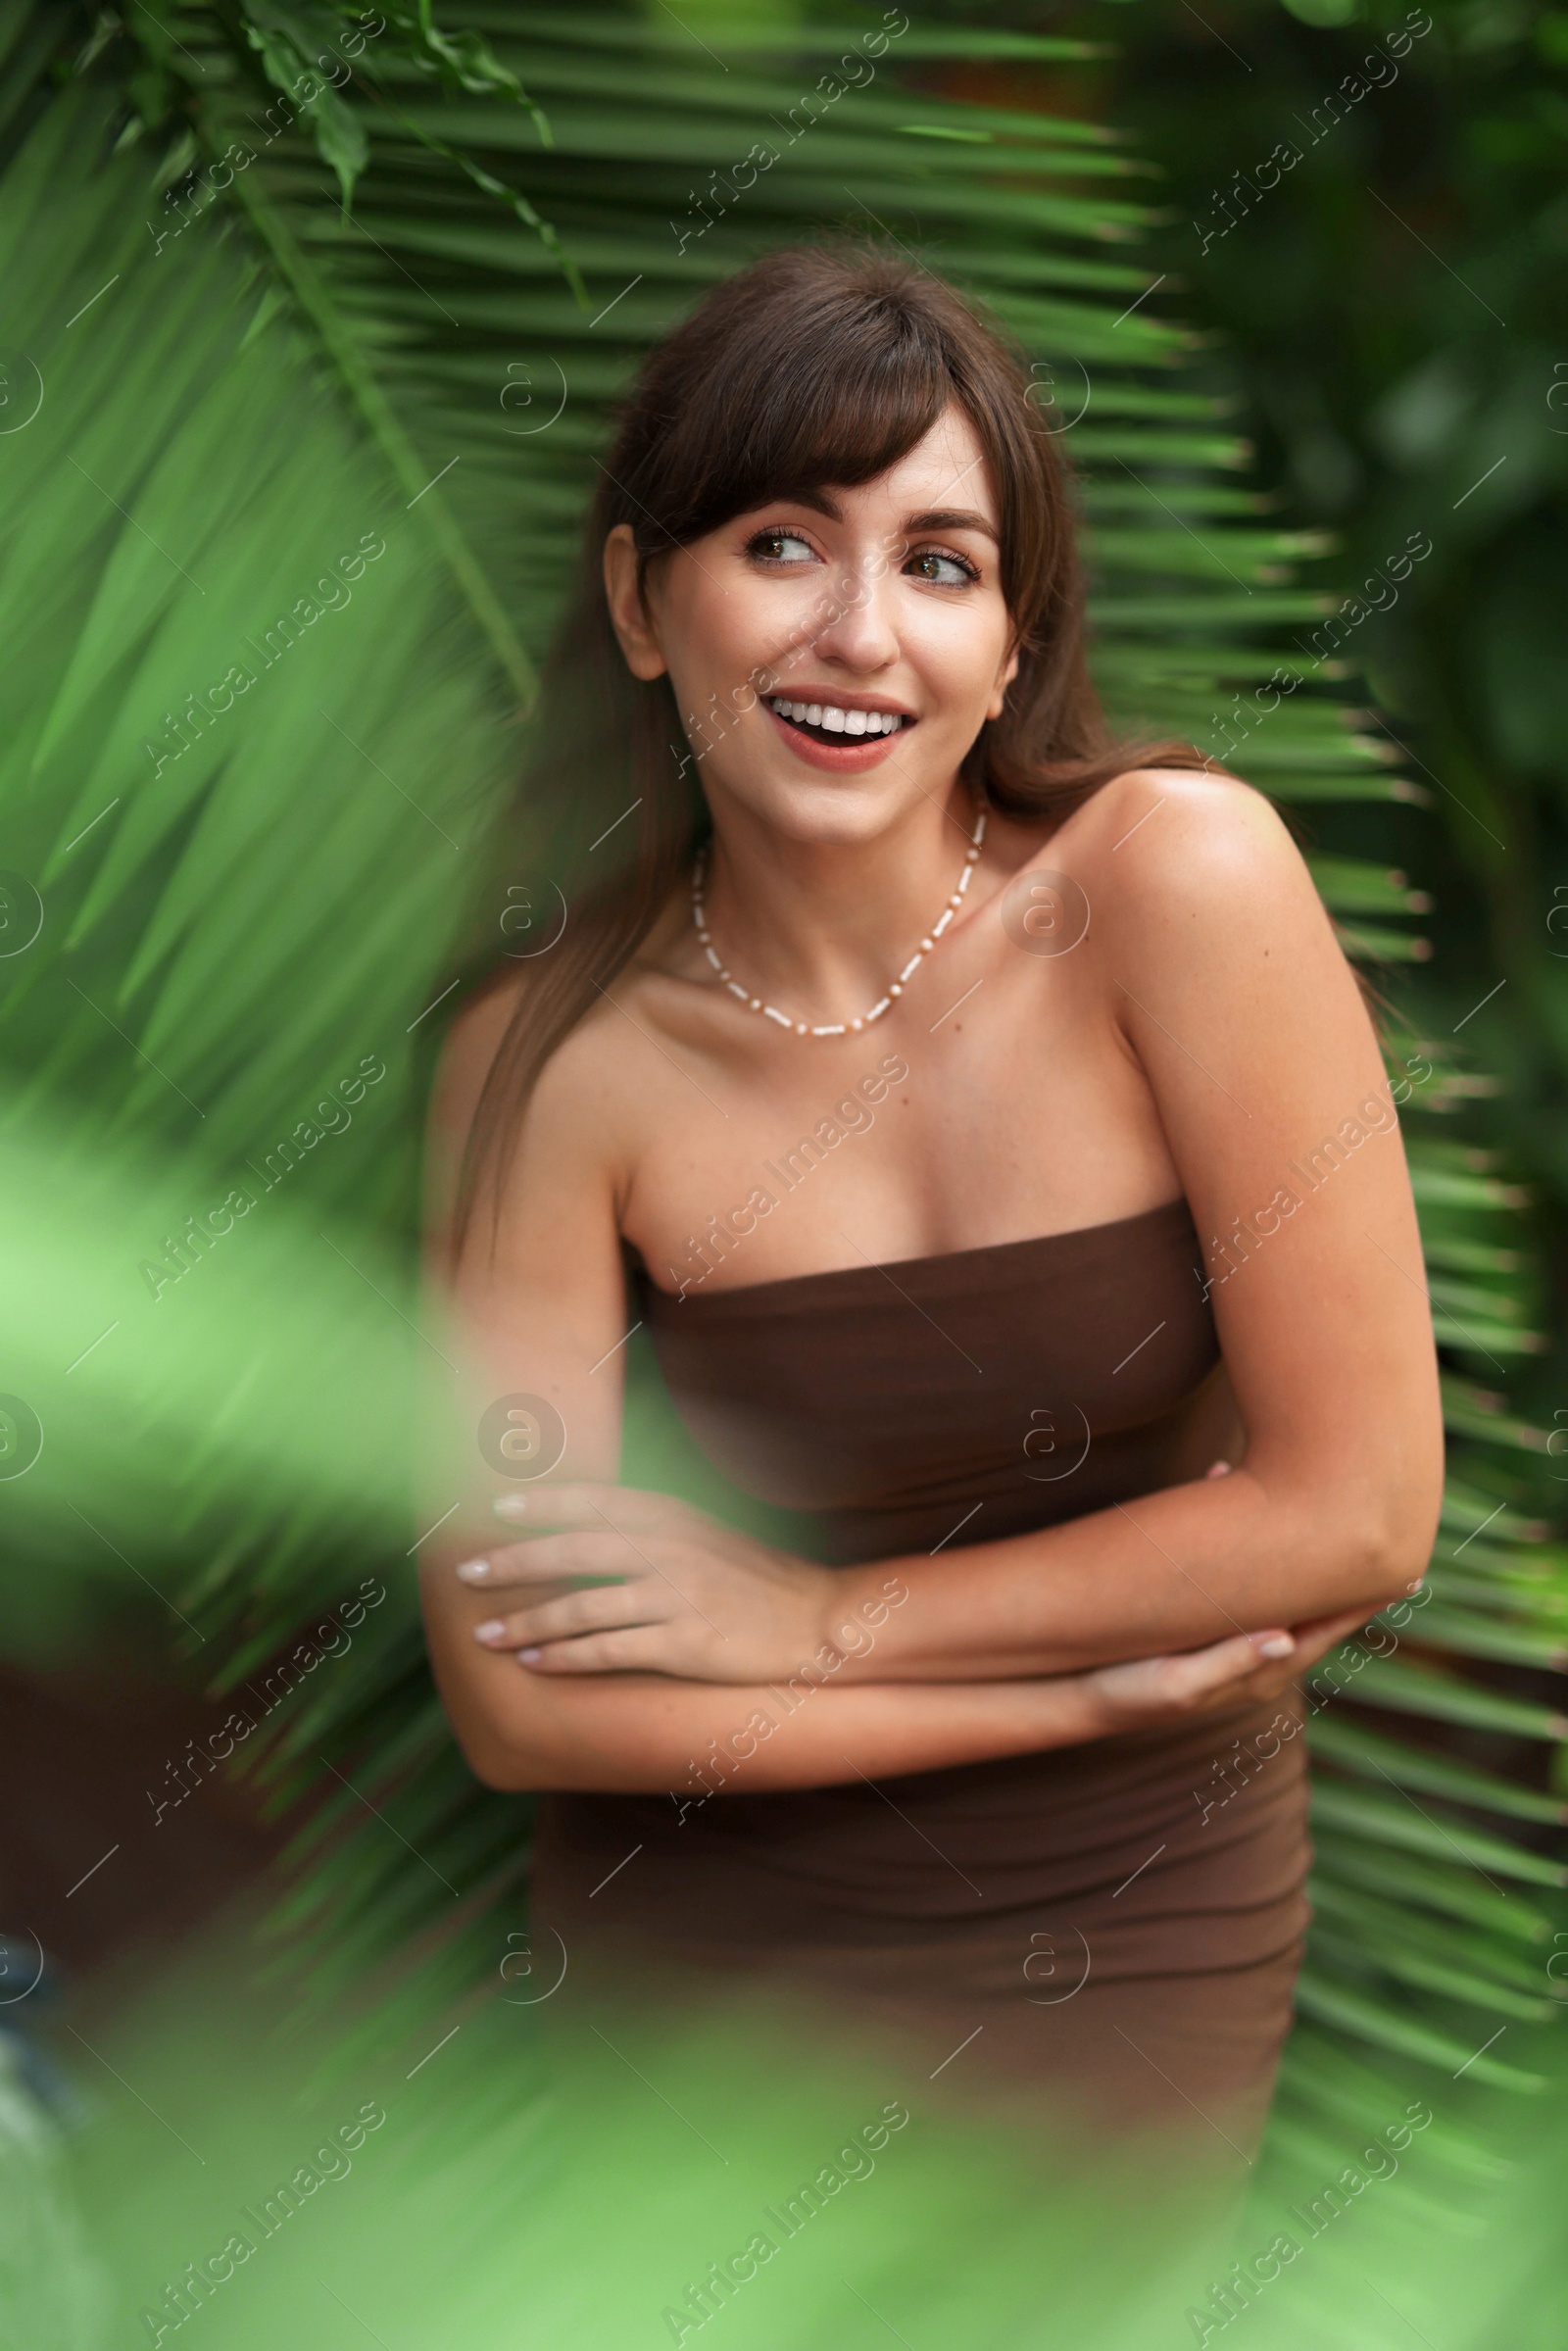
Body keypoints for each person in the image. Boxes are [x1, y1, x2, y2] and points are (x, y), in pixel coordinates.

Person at [416, 246, 1443, 2172]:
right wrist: (1067, 1702)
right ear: (646, 601)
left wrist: (814, 1620)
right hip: (703, 1983)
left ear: (1012, 643)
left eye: (941, 564)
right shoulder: (547, 1066)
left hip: (1134, 1937)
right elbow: (520, 1704)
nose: (860, 636)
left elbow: (1359, 1507)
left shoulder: (1177, 883)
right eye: (783, 546)